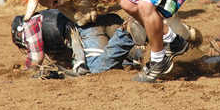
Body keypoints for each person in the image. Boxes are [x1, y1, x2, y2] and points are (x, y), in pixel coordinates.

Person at [11, 9, 146, 77]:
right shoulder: (46, 14)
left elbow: (36, 58)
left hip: (86, 29)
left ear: (19, 34)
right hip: (103, 20)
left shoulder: (28, 25)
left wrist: (25, 72)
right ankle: (144, 52)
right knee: (136, 56)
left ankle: (125, 33)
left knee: (97, 69)